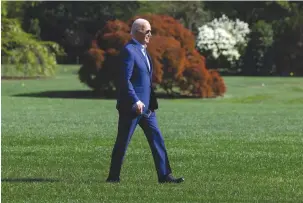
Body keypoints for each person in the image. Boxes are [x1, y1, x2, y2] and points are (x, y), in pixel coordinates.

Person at [106, 18, 184, 184]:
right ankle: (113, 178)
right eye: (146, 31)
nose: (150, 34)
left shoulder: (143, 51)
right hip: (132, 108)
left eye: (150, 31)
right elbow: (124, 80)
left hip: (147, 109)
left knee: (157, 139)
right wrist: (135, 101)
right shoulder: (129, 50)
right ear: (136, 32)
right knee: (123, 142)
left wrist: (148, 102)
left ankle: (165, 176)